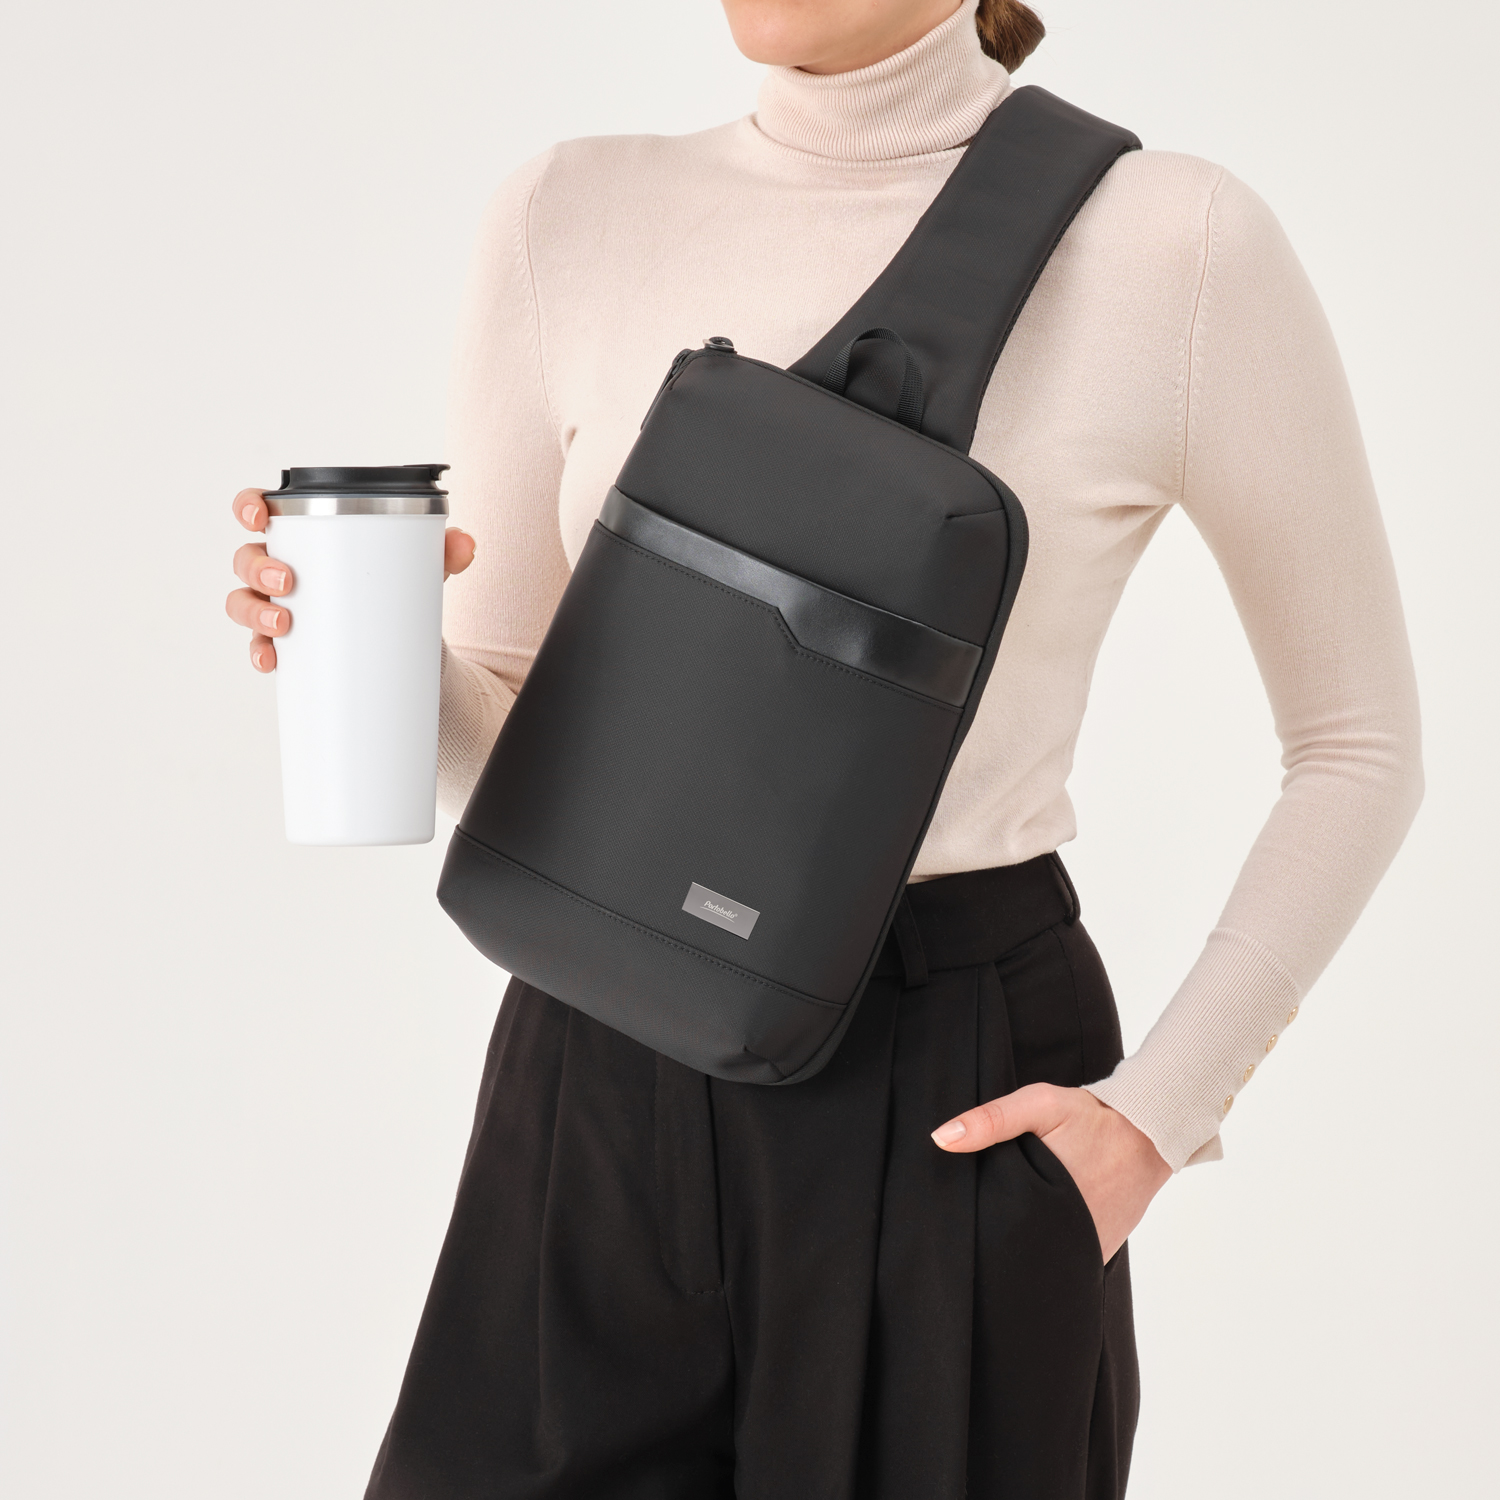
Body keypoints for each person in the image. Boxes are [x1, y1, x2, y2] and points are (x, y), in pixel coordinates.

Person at [224, 2, 1422, 1494]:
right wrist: (370, 656)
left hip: (952, 1097)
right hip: (597, 1068)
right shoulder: (564, 213)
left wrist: (1146, 1127)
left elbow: (1360, 745)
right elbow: (541, 758)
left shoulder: (1175, 246)